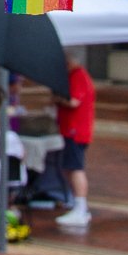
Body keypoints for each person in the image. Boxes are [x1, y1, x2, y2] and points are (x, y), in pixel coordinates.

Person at [53, 58, 96, 229]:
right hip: (71, 129)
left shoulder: (78, 76)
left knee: (75, 168)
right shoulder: (76, 75)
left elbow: (73, 101)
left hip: (75, 130)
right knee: (69, 167)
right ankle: (76, 203)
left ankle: (80, 206)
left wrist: (58, 99)